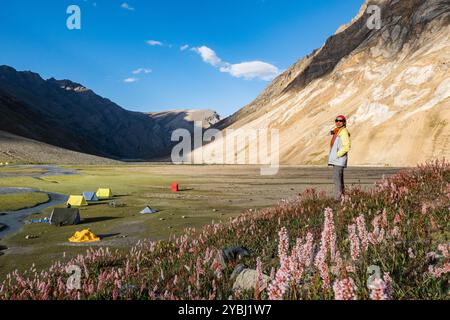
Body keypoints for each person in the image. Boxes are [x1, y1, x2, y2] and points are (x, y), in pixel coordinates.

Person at [328, 115, 351, 201]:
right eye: (336, 121)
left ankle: (338, 199)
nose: (338, 122)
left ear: (344, 122)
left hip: (339, 160)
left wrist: (337, 155)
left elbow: (347, 147)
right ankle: (342, 197)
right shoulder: (337, 131)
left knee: (337, 179)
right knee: (339, 180)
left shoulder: (343, 132)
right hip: (337, 160)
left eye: (340, 121)